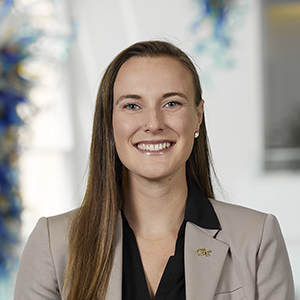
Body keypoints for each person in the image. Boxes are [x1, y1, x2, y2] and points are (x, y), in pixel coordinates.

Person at [14, 40, 295, 300]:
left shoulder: (256, 239)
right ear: (109, 121)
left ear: (198, 116)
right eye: (132, 105)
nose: (153, 123)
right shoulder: (53, 244)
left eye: (171, 103)